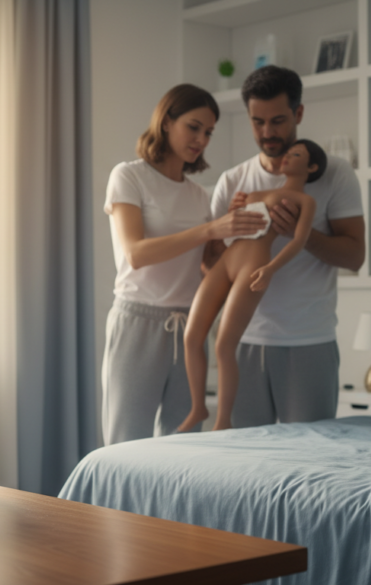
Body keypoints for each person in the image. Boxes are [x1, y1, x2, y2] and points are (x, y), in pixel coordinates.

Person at [209, 65, 365, 428]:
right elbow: (210, 262)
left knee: (309, 460)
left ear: (299, 113)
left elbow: (356, 256)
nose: (267, 133)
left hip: (310, 341)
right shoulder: (233, 181)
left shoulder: (335, 174)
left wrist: (303, 233)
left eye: (278, 120)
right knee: (244, 462)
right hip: (244, 342)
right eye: (257, 122)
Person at [102, 84, 252, 445]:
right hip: (138, 321)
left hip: (190, 325)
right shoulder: (129, 176)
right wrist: (210, 228)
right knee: (126, 442)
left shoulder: (200, 195)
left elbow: (208, 267)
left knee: (184, 442)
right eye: (194, 126)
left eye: (209, 132)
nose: (201, 138)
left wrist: (228, 231)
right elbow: (136, 253)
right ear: (167, 122)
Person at [179, 140, 323, 432]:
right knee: (192, 335)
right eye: (288, 152)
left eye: (296, 154)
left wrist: (271, 268)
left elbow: (299, 241)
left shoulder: (306, 201)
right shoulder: (256, 191)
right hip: (230, 257)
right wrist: (233, 211)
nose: (286, 157)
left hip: (255, 262)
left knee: (223, 345)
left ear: (312, 167)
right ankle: (197, 408)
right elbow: (230, 227)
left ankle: (223, 421)